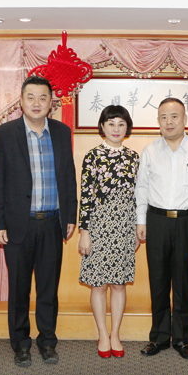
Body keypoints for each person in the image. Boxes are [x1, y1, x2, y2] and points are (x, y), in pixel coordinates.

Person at [0, 75, 77, 367]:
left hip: (52, 222)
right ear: (21, 101)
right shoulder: (5, 133)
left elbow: (68, 176)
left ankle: (47, 342)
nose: (36, 103)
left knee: (48, 289)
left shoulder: (62, 132)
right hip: (18, 224)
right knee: (19, 289)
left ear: (51, 102)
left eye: (43, 98)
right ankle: (20, 343)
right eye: (31, 97)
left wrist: (70, 215)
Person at [135, 97, 188, 360]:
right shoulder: (149, 151)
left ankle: (182, 339)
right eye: (163, 117)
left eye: (174, 116)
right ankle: (159, 337)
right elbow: (141, 189)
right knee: (158, 281)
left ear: (185, 119)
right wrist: (141, 221)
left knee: (182, 282)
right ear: (158, 121)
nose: (168, 122)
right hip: (156, 221)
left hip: (187, 222)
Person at [78, 105, 140, 358]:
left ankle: (115, 333)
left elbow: (139, 196)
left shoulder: (134, 157)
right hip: (98, 226)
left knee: (119, 283)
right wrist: (84, 231)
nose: (116, 128)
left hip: (125, 225)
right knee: (99, 284)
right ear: (102, 126)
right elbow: (86, 196)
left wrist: (137, 227)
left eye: (121, 124)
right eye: (111, 123)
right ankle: (102, 334)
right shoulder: (93, 156)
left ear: (127, 128)